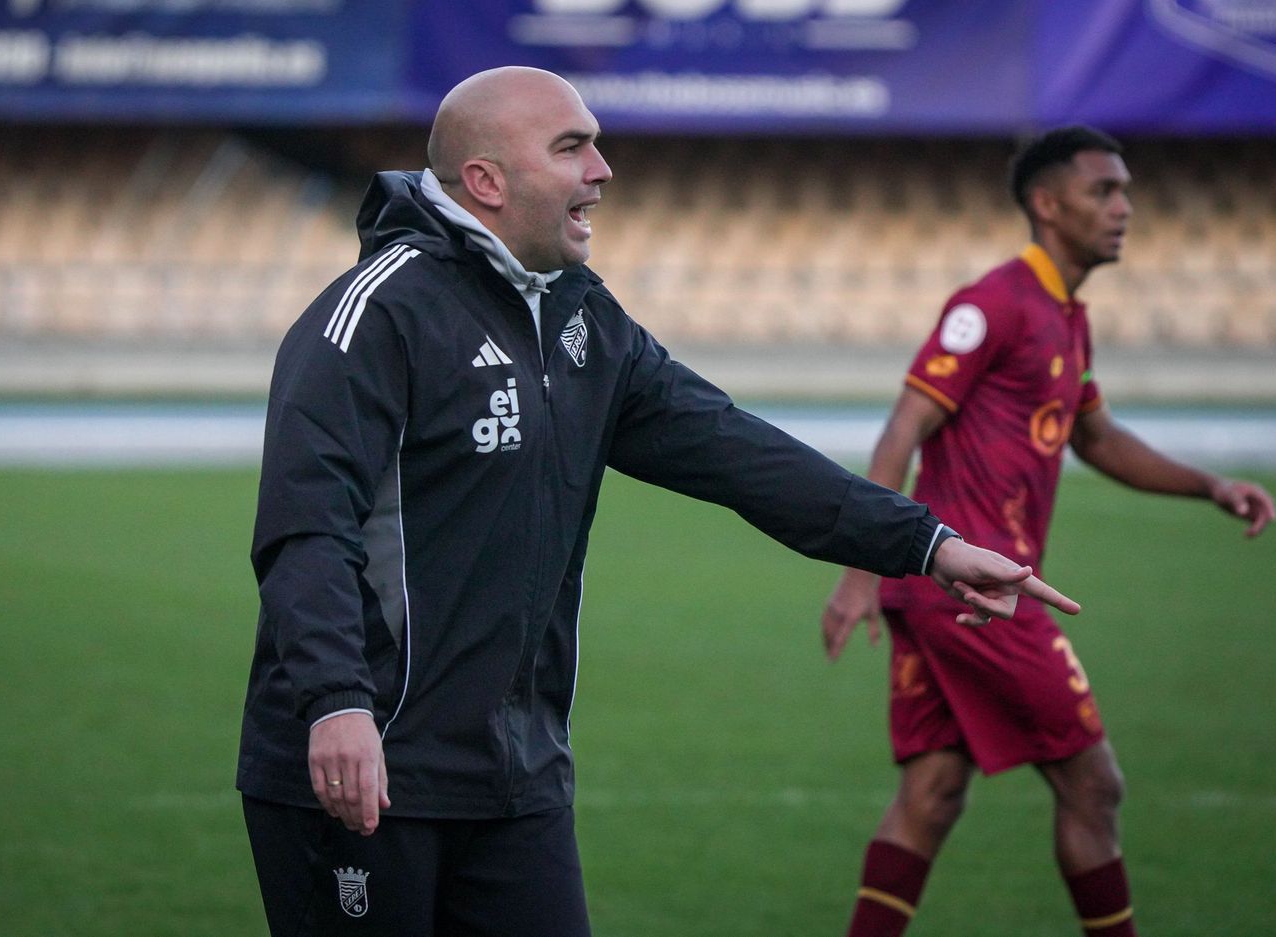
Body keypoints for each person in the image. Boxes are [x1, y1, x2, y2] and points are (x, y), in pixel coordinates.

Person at [237, 66, 1079, 937]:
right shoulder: (376, 314)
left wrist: (928, 543)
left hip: (516, 776)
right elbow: (307, 531)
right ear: (486, 181)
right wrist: (337, 703)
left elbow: (738, 452)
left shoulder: (583, 320)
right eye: (572, 146)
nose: (602, 169)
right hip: (362, 768)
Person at [820, 126, 1276, 937]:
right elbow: (900, 431)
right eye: (1105, 190)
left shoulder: (1067, 318)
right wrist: (859, 570)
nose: (1124, 207)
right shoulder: (992, 304)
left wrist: (1211, 486)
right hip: (979, 589)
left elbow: (1096, 438)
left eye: (1126, 191)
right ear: (1047, 203)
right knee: (1094, 785)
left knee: (931, 794)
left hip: (944, 590)